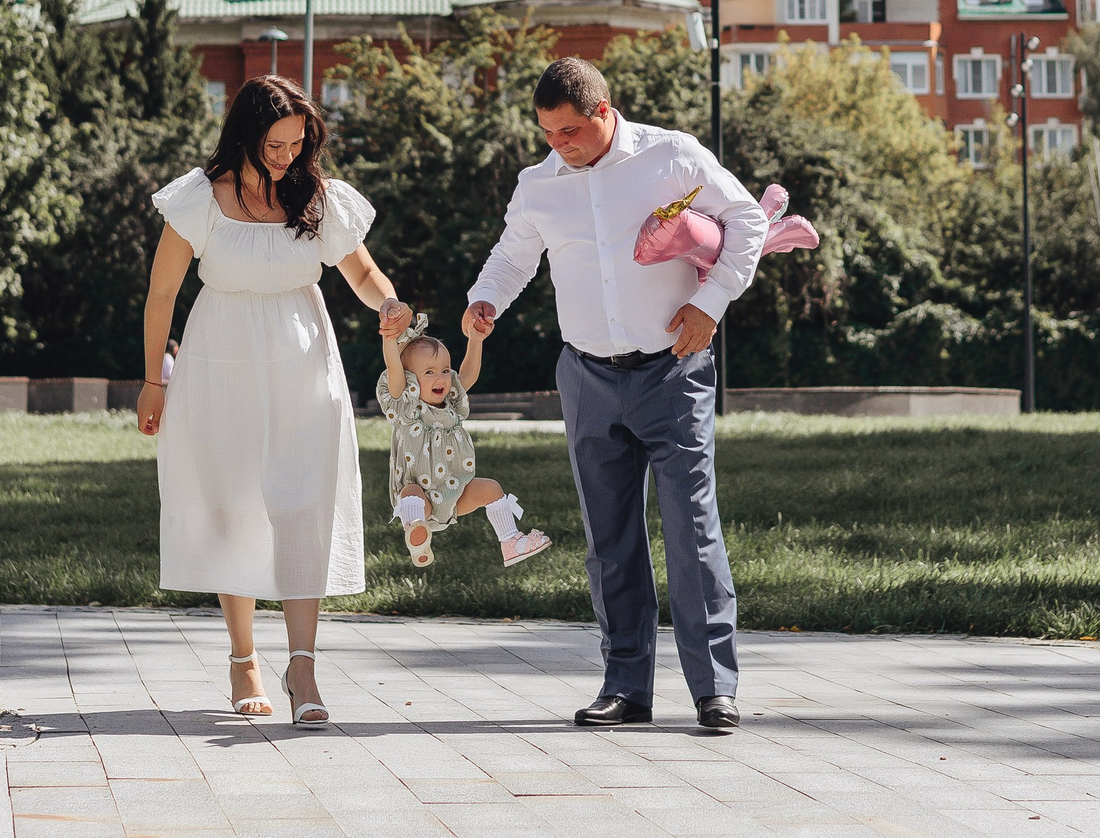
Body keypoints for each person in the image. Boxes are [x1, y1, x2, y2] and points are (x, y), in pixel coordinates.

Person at [463, 56, 764, 733]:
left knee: (691, 527)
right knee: (609, 540)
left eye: (569, 130)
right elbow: (513, 256)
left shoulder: (671, 155)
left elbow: (748, 221)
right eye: (546, 132)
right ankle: (626, 686)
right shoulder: (539, 184)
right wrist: (485, 300)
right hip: (588, 376)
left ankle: (714, 687)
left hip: (673, 370)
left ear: (605, 110)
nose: (558, 144)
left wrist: (711, 303)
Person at [138, 75, 411, 727]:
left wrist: (390, 301)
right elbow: (160, 295)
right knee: (233, 503)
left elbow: (362, 272)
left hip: (303, 361)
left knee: (305, 503)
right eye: (275, 142)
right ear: (245, 134)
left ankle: (305, 663)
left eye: (298, 142)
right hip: (217, 360)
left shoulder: (317, 198)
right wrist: (154, 379)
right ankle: (243, 658)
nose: (288, 154)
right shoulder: (199, 198)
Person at [377, 314, 552, 568]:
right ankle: (416, 532)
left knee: (492, 488)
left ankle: (511, 542)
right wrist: (390, 339)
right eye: (429, 372)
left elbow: (468, 374)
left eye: (445, 370)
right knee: (411, 493)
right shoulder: (407, 407)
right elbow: (394, 368)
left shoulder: (451, 405)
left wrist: (476, 340)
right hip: (420, 500)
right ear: (411, 381)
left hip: (453, 494)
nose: (441, 378)